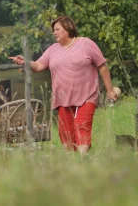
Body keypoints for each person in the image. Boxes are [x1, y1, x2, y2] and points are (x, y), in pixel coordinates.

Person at [9, 16, 117, 154]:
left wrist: (110, 90)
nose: (55, 33)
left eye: (57, 29)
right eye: (54, 30)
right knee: (66, 137)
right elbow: (38, 65)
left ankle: (83, 161)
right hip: (63, 98)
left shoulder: (86, 44)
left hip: (86, 96)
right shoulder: (53, 49)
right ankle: (72, 164)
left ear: (68, 29)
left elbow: (102, 66)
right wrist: (26, 62)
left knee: (82, 126)